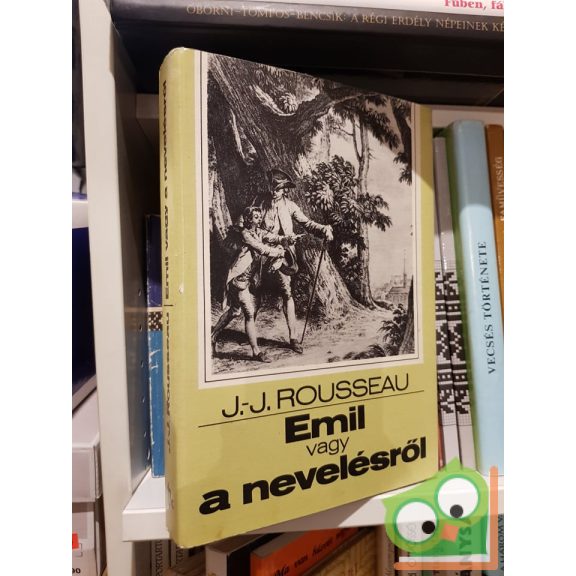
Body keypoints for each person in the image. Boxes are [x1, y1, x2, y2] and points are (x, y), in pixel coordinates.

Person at [252, 168, 333, 354]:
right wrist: (274, 239)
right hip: (261, 254)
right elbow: (252, 227)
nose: (274, 191)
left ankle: (293, 338)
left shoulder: (290, 206)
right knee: (255, 293)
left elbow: (307, 224)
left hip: (284, 256)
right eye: (272, 187)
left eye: (278, 189)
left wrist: (323, 229)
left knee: (287, 293)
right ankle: (251, 337)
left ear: (284, 190)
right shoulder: (259, 202)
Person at [211, 205, 286, 362]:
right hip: (238, 280)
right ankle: (256, 352)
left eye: (260, 216)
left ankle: (212, 336)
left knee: (235, 311)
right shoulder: (245, 234)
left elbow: (272, 237)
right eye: (256, 217)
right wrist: (279, 252)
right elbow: (262, 248)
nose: (259, 219)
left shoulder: (258, 232)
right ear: (248, 219)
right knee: (249, 313)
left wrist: (285, 239)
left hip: (246, 281)